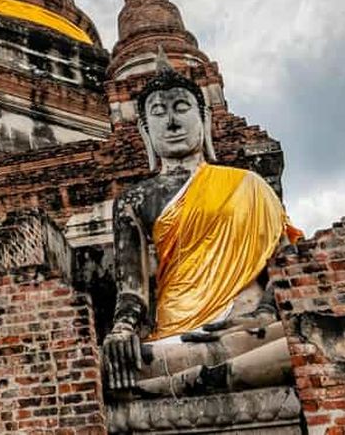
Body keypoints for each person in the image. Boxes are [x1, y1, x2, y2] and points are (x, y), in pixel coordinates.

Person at [102, 48, 302, 395]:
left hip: (251, 328)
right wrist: (122, 331)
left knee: (307, 338)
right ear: (145, 130)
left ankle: (189, 382)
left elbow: (287, 267)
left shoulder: (248, 184)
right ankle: (205, 376)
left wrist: (262, 315)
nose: (173, 122)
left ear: (204, 118)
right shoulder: (135, 200)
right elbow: (132, 292)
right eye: (159, 113)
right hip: (175, 336)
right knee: (108, 369)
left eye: (181, 109)